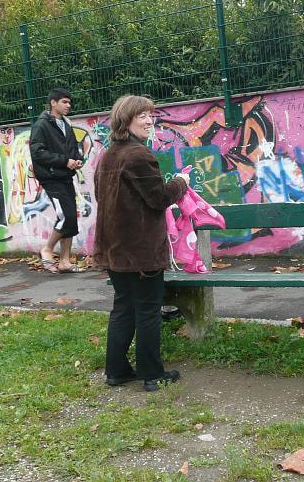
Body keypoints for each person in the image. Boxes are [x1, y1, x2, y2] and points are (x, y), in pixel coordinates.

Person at [93, 95, 190, 392]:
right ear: (125, 121)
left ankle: (117, 371)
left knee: (123, 307)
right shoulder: (138, 155)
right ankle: (152, 374)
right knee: (147, 310)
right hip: (140, 250)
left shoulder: (108, 157)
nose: (150, 121)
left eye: (150, 115)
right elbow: (159, 198)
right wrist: (181, 183)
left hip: (114, 248)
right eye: (142, 116)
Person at [29, 88, 84, 274]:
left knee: (71, 220)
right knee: (66, 217)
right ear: (53, 103)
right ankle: (47, 249)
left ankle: (65, 262)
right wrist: (64, 161)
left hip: (65, 176)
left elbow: (73, 148)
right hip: (51, 177)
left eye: (69, 102)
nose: (68, 105)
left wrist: (77, 160)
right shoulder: (41, 125)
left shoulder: (66, 124)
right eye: (64, 102)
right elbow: (37, 152)